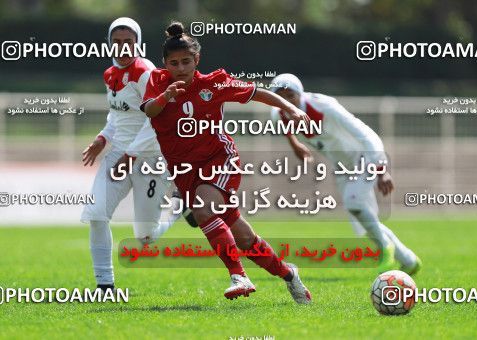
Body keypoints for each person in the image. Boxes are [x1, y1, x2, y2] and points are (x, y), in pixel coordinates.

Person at [141, 21, 312, 303]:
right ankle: (289, 275)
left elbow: (257, 92)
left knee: (203, 210)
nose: (180, 68)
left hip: (220, 159)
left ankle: (239, 276)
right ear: (165, 64)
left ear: (197, 60)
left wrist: (291, 108)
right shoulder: (157, 82)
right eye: (174, 63)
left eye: (186, 61)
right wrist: (166, 96)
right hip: (185, 172)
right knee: (245, 239)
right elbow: (149, 110)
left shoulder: (214, 83)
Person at [81, 17, 193, 292]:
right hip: (119, 153)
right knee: (96, 214)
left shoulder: (146, 72)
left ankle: (178, 209)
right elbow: (118, 115)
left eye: (128, 43)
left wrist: (131, 155)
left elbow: (156, 119)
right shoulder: (110, 74)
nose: (122, 48)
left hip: (149, 158)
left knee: (144, 238)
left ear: (137, 44)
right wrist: (102, 138)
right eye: (116, 43)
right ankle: (104, 286)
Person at [269, 73, 422, 275]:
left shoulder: (324, 106)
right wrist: (295, 144)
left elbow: (366, 134)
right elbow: (286, 127)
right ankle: (409, 260)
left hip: (364, 157)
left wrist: (381, 169)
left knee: (354, 203)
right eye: (280, 96)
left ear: (301, 93)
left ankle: (386, 248)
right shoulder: (278, 114)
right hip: (341, 167)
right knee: (363, 223)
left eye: (291, 95)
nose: (287, 101)